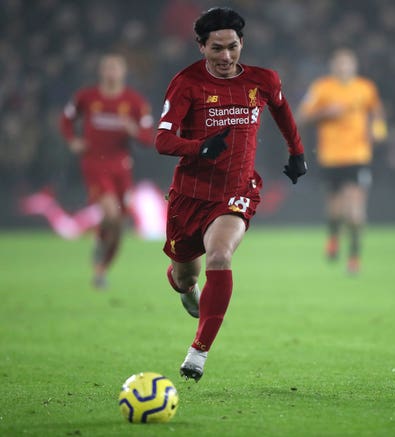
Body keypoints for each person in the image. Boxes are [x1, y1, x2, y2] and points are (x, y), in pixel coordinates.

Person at [155, 7, 307, 382]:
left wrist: (297, 153)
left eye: (233, 47)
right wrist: (198, 148)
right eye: (217, 48)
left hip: (236, 190)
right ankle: (183, 287)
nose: (226, 57)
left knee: (220, 257)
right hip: (190, 195)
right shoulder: (186, 83)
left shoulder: (263, 80)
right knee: (185, 275)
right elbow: (162, 139)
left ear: (243, 44)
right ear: (201, 47)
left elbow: (283, 113)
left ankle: (197, 353)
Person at [60, 53, 154, 289]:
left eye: (116, 68)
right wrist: (72, 140)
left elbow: (148, 137)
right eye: (107, 68)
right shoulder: (86, 97)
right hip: (94, 163)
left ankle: (101, 269)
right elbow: (65, 120)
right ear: (101, 72)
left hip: (121, 166)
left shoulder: (135, 102)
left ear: (123, 73)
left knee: (118, 225)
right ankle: (100, 245)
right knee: (111, 213)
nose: (111, 72)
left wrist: (133, 130)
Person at [298, 48, 386, 274]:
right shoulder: (322, 88)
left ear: (354, 66)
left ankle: (354, 258)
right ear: (333, 66)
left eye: (348, 64)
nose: (344, 68)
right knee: (335, 211)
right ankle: (333, 237)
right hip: (330, 157)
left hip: (358, 156)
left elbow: (377, 113)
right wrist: (325, 112)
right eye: (340, 64)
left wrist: (378, 130)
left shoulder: (365, 88)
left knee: (355, 212)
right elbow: (301, 117)